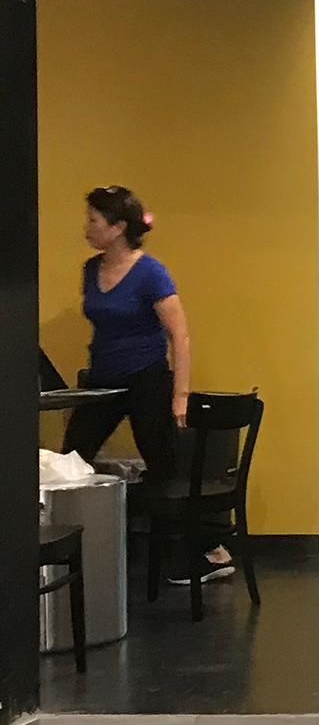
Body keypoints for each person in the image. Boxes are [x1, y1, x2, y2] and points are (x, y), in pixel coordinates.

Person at [63, 185, 231, 582]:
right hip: (103, 380)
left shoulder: (150, 272)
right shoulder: (90, 270)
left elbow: (179, 336)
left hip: (146, 379)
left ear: (118, 227)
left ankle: (210, 552)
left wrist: (180, 395)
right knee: (71, 459)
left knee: (164, 468)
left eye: (94, 220)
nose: (87, 227)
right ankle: (65, 551)